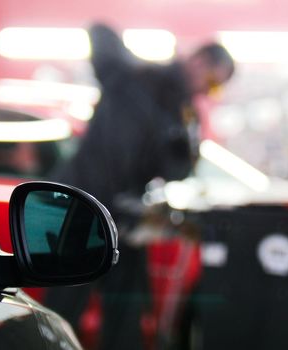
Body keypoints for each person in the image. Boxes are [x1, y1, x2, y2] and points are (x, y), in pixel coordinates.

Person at [43, 22, 235, 350]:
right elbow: (100, 32)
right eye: (213, 84)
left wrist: (184, 146)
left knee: (126, 313)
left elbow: (175, 172)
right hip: (83, 207)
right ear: (199, 61)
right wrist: (132, 62)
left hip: (124, 219)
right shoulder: (136, 77)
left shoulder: (182, 115)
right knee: (62, 308)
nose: (208, 92)